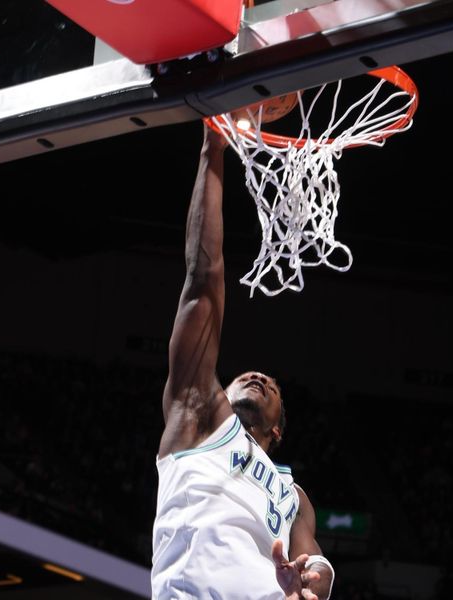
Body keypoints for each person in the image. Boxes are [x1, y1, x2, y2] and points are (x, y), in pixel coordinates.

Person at [151, 124, 335, 600]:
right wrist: (213, 148)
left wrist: (316, 577)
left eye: (272, 384)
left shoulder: (292, 495)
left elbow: (314, 560)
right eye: (248, 377)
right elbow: (202, 280)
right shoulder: (197, 417)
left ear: (279, 430)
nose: (258, 376)